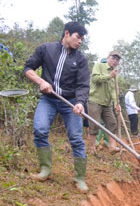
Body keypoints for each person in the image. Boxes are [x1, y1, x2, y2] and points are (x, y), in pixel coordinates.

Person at [23, 21, 90, 193]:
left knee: (76, 138)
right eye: (78, 37)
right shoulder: (46, 49)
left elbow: (83, 85)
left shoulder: (81, 59)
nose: (80, 41)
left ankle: (80, 178)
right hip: (49, 99)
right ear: (67, 33)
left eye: (82, 39)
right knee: (40, 129)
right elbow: (28, 68)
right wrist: (41, 81)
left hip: (71, 103)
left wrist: (80, 103)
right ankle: (45, 169)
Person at [87, 51, 122, 154]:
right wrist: (109, 76)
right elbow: (94, 79)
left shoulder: (115, 73)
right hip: (95, 100)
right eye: (113, 58)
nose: (115, 61)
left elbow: (113, 90)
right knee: (94, 125)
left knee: (112, 123)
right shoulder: (99, 66)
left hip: (107, 104)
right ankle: (92, 148)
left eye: (117, 60)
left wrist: (116, 103)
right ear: (108, 58)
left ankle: (112, 146)